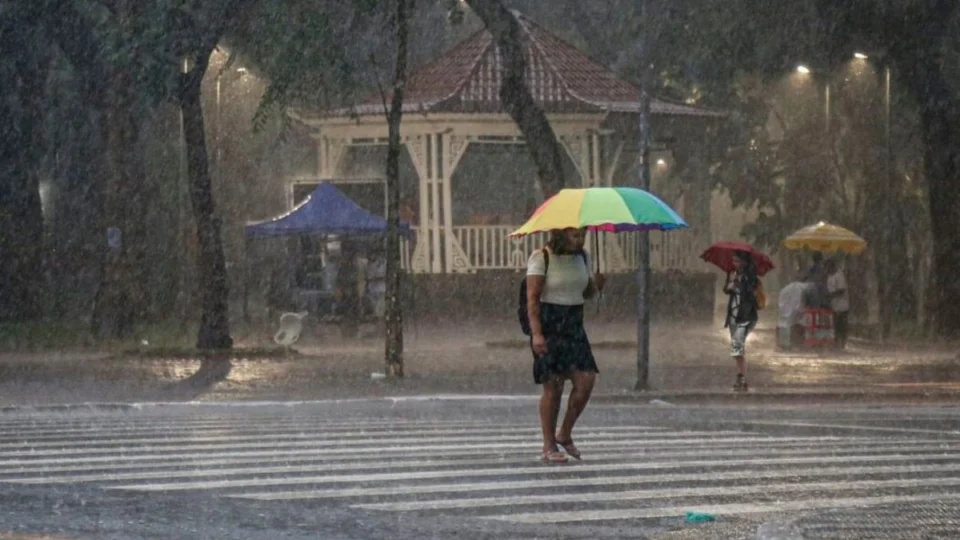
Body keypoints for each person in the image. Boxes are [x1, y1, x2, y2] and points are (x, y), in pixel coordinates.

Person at [526, 228, 605, 463]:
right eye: (574, 236)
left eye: (583, 235)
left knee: (586, 380)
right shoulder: (542, 257)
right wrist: (537, 334)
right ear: (560, 234)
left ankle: (565, 432)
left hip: (574, 324)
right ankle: (549, 445)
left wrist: (597, 285)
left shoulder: (583, 257)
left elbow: (586, 292)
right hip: (549, 324)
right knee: (554, 386)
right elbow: (532, 298)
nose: (580, 240)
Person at [724, 250, 759, 392]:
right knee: (736, 347)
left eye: (738, 261)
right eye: (733, 261)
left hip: (746, 316)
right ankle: (740, 376)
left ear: (744, 262)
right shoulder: (732, 274)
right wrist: (731, 283)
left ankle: (742, 377)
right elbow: (726, 290)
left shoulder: (750, 276)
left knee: (738, 345)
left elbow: (750, 293)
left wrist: (740, 283)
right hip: (733, 315)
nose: (735, 264)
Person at [777, 271, 813, 350]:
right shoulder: (806, 286)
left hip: (786, 310)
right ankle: (798, 344)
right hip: (800, 309)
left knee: (785, 325)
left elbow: (780, 301)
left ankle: (785, 344)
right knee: (800, 325)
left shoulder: (786, 288)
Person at [826, 259, 850, 349]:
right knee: (836, 325)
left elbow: (841, 290)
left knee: (842, 326)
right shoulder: (829, 276)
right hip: (834, 305)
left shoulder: (839, 276)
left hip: (842, 306)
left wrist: (831, 295)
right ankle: (836, 343)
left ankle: (842, 343)